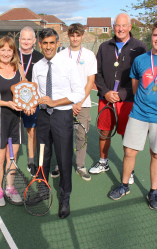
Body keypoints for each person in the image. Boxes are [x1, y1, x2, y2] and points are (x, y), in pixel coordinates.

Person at [108, 20, 157, 210]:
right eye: (156, 35)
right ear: (151, 36)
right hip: (139, 114)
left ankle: (153, 191)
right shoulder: (141, 60)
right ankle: (124, 185)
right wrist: (145, 104)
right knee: (129, 152)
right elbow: (136, 88)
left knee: (156, 154)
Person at [89, 13, 148, 185]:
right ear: (113, 27)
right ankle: (103, 162)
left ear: (130, 27)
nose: (120, 29)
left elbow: (142, 77)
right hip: (105, 98)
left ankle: (128, 170)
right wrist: (105, 92)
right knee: (104, 132)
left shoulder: (140, 47)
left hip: (127, 99)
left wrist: (122, 93)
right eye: (117, 25)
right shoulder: (104, 46)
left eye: (124, 25)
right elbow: (96, 73)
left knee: (127, 136)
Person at [33, 28, 84, 219]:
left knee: (63, 159)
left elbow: (78, 92)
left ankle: (65, 197)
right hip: (43, 117)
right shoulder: (37, 66)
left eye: (51, 43)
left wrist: (56, 102)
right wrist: (33, 102)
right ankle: (43, 191)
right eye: (44, 43)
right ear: (40, 44)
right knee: (42, 157)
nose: (48, 47)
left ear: (57, 43)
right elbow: (35, 91)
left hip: (62, 116)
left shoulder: (68, 64)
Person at [0, 36, 28, 206]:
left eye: (10, 50)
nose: (6, 53)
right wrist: (7, 103)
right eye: (3, 49)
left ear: (13, 52)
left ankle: (10, 187)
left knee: (13, 155)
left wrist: (28, 105)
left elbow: (26, 92)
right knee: (0, 157)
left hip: (16, 118)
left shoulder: (19, 68)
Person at [51, 23, 97, 181]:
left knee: (81, 135)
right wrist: (69, 102)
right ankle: (60, 164)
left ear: (82, 36)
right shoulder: (61, 55)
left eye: (78, 35)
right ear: (68, 36)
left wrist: (78, 102)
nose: (75, 38)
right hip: (64, 104)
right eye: (72, 35)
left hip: (82, 105)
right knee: (62, 135)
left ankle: (80, 166)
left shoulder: (90, 55)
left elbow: (90, 81)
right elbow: (57, 81)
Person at [18, 26, 44, 176]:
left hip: (32, 103)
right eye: (24, 39)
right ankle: (10, 159)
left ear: (34, 41)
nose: (26, 42)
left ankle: (31, 162)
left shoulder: (40, 57)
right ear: (19, 40)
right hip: (14, 102)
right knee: (12, 132)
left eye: (29, 39)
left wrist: (32, 103)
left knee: (31, 132)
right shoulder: (12, 55)